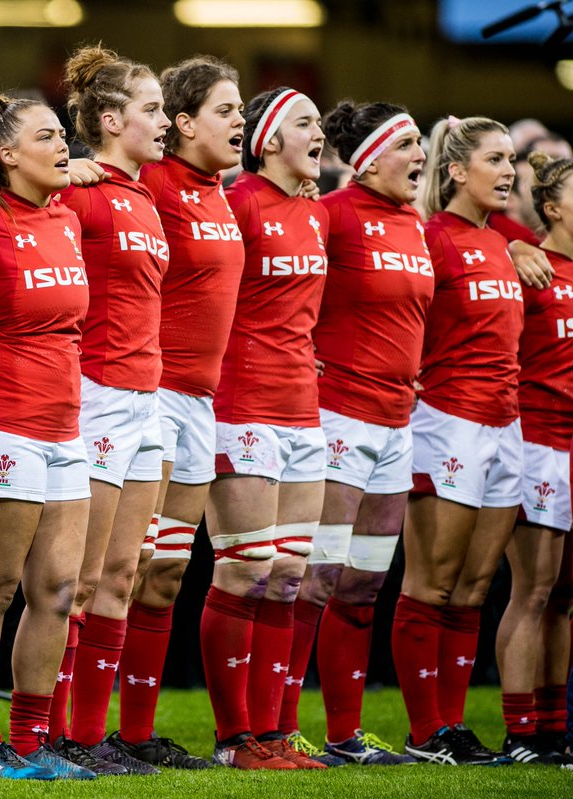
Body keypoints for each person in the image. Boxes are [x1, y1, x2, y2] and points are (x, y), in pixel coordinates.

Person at [0, 94, 95, 781]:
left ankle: (32, 744)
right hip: (2, 420)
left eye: (64, 135)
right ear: (7, 154)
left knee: (59, 590)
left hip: (68, 426)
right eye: (47, 136)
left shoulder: (66, 216)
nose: (64, 146)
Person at [280, 101, 431, 766]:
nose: (421, 155)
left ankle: (344, 735)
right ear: (369, 157)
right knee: (315, 580)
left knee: (364, 586)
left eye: (425, 143)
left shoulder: (416, 223)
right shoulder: (329, 214)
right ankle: (278, 728)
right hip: (338, 414)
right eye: (410, 145)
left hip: (399, 422)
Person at [195, 85, 332, 770]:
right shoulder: (239, 202)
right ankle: (233, 738)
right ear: (269, 139)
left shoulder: (317, 216)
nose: (321, 135)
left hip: (305, 410)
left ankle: (275, 733)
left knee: (289, 576)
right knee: (244, 566)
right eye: (306, 124)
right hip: (243, 405)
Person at [124, 54, 247, 771]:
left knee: (167, 570)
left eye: (240, 112)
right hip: (150, 394)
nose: (239, 122)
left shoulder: (218, 191)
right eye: (226, 111)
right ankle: (81, 730)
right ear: (181, 121)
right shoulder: (156, 185)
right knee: (126, 566)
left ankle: (137, 733)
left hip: (202, 401)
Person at [52, 44, 170, 776]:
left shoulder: (143, 195)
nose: (163, 123)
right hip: (92, 393)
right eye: (152, 110)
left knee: (125, 574)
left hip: (145, 399)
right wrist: (61, 170)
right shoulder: (77, 190)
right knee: (81, 578)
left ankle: (92, 737)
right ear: (107, 118)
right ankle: (54, 731)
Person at [395, 115, 522, 766]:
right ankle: (426, 730)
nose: (509, 171)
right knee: (432, 582)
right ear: (455, 170)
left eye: (513, 160)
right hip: (446, 420)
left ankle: (452, 726)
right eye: (496, 159)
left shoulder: (503, 242)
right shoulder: (428, 238)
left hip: (507, 424)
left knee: (474, 586)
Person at [494, 150, 573, 766]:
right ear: (551, 207)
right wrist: (516, 245)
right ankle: (521, 734)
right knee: (535, 591)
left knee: (566, 596)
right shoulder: (528, 267)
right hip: (539, 443)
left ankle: (553, 729)